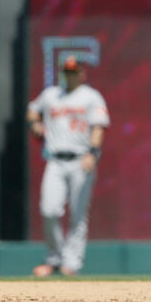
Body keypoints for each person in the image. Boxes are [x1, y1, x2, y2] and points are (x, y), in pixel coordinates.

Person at [27, 55, 109, 278]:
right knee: (49, 209)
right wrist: (35, 123)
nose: (70, 75)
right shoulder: (51, 95)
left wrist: (93, 153)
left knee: (77, 214)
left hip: (80, 159)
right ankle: (54, 259)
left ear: (82, 73)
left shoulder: (91, 97)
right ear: (62, 73)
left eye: (74, 71)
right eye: (67, 71)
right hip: (55, 160)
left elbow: (98, 127)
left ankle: (71, 264)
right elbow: (32, 109)